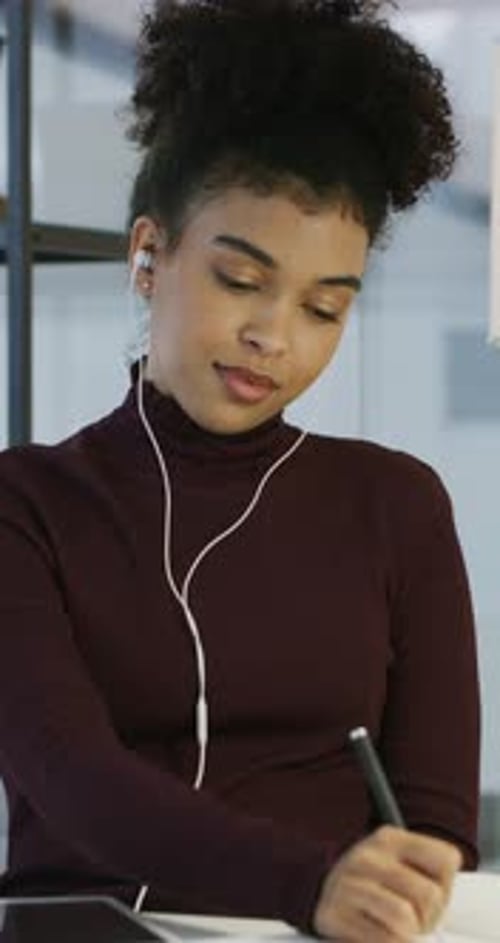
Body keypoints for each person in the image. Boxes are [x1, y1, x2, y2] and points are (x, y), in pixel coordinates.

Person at [0, 1, 480, 941]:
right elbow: (68, 774)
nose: (274, 336)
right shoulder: (27, 505)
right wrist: (309, 880)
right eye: (241, 280)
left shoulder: (398, 504)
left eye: (323, 307)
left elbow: (433, 822)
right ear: (149, 257)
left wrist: (386, 887)